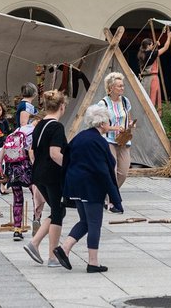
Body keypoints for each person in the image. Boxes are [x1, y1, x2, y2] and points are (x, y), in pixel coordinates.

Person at [54, 104, 123, 273]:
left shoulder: (79, 137)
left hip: (75, 185)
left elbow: (67, 159)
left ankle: (64, 248)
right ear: (101, 124)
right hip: (91, 187)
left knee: (85, 221)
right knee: (94, 224)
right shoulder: (99, 141)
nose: (109, 123)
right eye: (107, 121)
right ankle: (93, 262)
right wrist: (114, 197)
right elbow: (103, 170)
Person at [23, 90, 68, 267]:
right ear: (62, 107)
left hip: (38, 174)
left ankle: (34, 243)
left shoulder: (40, 125)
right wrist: (70, 166)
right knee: (58, 212)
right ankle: (52, 257)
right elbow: (55, 154)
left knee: (59, 210)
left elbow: (32, 151)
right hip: (52, 175)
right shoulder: (57, 127)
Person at [0, 120, 35, 241]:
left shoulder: (18, 130)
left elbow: (5, 146)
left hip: (12, 166)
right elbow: (32, 151)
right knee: (36, 196)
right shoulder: (35, 132)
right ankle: (36, 227)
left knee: (17, 198)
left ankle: (17, 229)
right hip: (26, 166)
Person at [97, 71, 132, 187]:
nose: (123, 88)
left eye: (123, 85)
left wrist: (131, 124)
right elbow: (103, 127)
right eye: (120, 86)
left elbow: (128, 118)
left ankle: (110, 193)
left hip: (124, 140)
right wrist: (116, 128)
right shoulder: (103, 104)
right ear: (111, 88)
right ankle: (110, 200)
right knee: (112, 170)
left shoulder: (125, 101)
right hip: (109, 141)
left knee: (123, 173)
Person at [138, 36, 170, 114]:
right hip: (153, 78)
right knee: (153, 99)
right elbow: (165, 48)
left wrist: (155, 45)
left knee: (146, 99)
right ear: (148, 46)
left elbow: (151, 52)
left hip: (145, 79)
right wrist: (169, 37)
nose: (152, 46)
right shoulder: (151, 54)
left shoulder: (141, 54)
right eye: (151, 45)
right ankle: (155, 115)